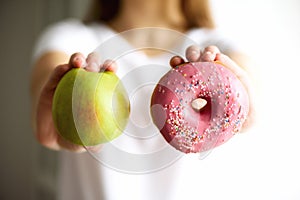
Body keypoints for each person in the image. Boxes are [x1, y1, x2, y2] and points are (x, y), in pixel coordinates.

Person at [30, 0, 255, 199]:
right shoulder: (73, 37)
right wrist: (55, 115)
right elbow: (47, 76)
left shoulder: (218, 47)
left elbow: (248, 88)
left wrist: (247, 101)